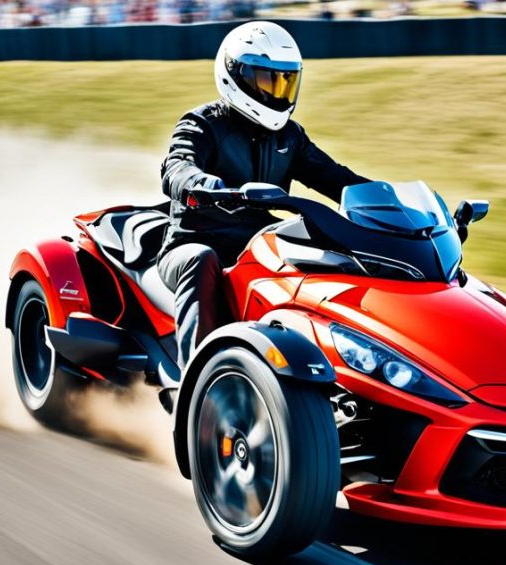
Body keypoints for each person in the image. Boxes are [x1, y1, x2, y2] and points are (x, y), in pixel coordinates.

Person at [158, 21, 369, 369]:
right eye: (267, 79)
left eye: (286, 81)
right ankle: (194, 381)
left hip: (257, 244)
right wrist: (204, 185)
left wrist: (389, 201)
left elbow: (335, 178)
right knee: (200, 260)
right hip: (192, 242)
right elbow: (177, 166)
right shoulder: (203, 124)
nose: (278, 91)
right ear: (235, 76)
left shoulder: (289, 137)